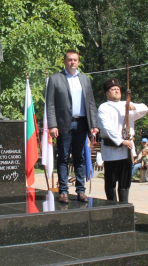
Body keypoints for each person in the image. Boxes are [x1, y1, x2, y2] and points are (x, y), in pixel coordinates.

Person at [46, 50, 99, 204]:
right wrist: (52, 124)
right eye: (69, 60)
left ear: (78, 61)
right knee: (62, 157)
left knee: (80, 157)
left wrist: (94, 125)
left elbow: (91, 104)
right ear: (64, 61)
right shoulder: (56, 79)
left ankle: (80, 191)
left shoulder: (85, 79)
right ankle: (63, 191)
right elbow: (50, 104)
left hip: (82, 123)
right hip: (63, 124)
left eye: (75, 60)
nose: (72, 62)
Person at [97, 78, 148, 203]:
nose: (116, 91)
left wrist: (132, 106)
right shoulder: (104, 107)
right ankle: (112, 206)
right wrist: (121, 141)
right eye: (113, 89)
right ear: (107, 93)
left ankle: (124, 207)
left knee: (125, 182)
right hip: (112, 150)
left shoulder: (126, 105)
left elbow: (145, 109)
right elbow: (106, 127)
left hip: (127, 150)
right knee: (111, 182)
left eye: (118, 89)